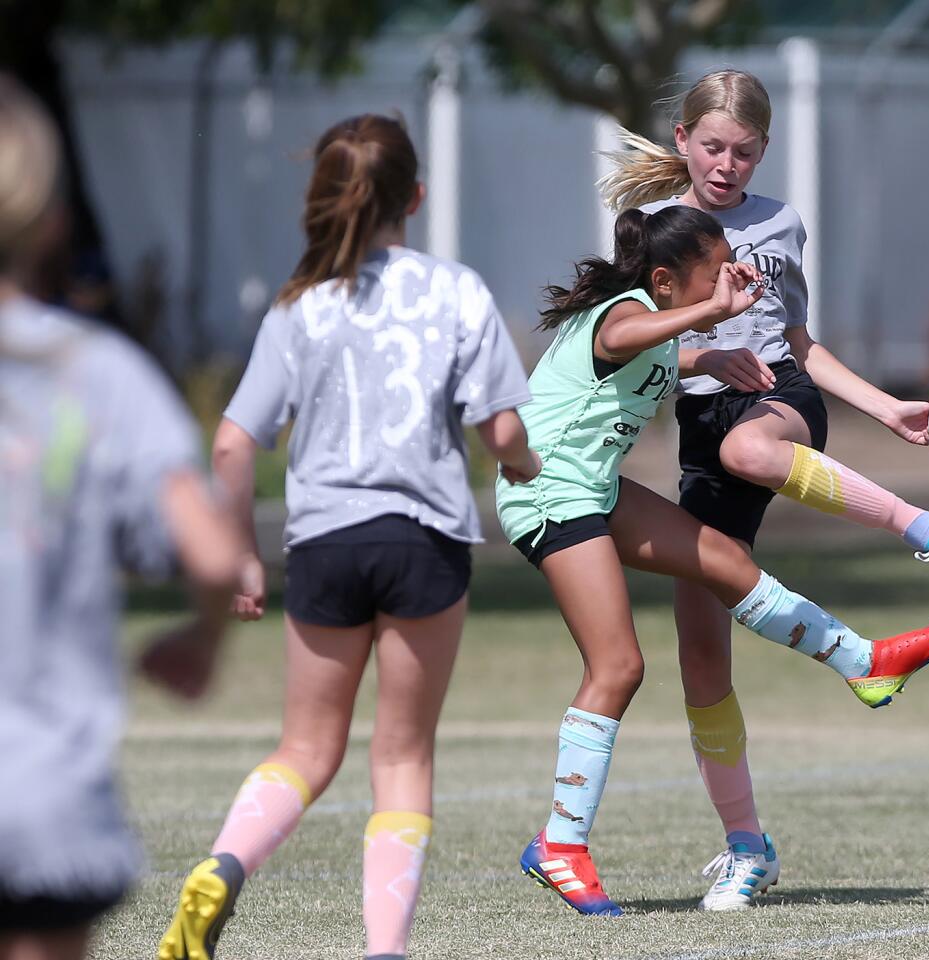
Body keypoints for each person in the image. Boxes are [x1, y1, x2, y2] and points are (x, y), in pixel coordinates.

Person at [597, 68, 929, 911]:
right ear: (682, 141)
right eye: (712, 147)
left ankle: (925, 529)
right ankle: (747, 847)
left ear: (764, 151)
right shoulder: (649, 231)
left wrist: (880, 406)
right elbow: (628, 340)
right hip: (700, 435)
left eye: (744, 152)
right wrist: (701, 356)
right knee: (699, 654)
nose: (726, 164)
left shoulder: (780, 224)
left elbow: (798, 340)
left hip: (777, 405)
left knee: (756, 446)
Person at [495, 203, 929, 918]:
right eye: (714, 270)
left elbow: (652, 347)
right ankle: (560, 843)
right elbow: (625, 334)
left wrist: (706, 350)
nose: (730, 279)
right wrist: (707, 315)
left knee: (721, 559)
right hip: (548, 493)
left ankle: (863, 663)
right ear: (662, 280)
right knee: (618, 666)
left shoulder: (651, 321)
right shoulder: (625, 311)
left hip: (592, 486)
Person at [155, 114, 539, 960]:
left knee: (305, 749)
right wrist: (520, 467)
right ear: (417, 197)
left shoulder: (301, 306)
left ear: (327, 200)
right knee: (400, 757)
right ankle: (383, 952)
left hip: (325, 542)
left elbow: (230, 444)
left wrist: (241, 554)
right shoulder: (457, 291)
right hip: (423, 541)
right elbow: (504, 435)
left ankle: (225, 863)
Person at [0, 75, 239, 960]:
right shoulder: (97, 373)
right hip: (42, 800)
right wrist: (201, 641)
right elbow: (213, 555)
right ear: (51, 221)